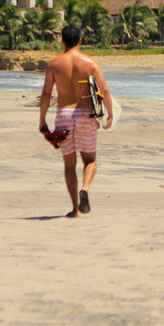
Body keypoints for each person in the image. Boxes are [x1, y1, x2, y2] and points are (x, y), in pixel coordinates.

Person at [39, 25, 113, 217]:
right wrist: (110, 113)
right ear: (80, 40)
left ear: (61, 40)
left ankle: (74, 209)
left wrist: (42, 120)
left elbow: (46, 94)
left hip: (63, 115)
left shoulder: (54, 64)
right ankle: (85, 189)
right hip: (85, 115)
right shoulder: (90, 63)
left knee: (69, 165)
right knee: (90, 160)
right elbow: (104, 90)